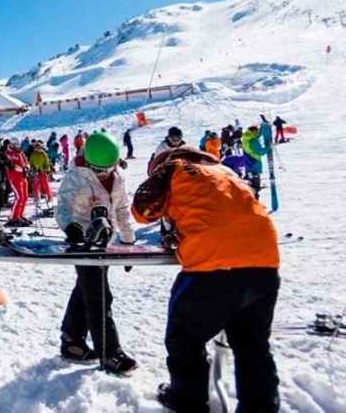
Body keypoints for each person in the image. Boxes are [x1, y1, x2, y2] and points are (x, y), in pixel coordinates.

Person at [132, 147, 280, 413]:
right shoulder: (227, 172)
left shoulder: (174, 167)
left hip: (211, 269)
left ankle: (188, 400)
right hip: (264, 263)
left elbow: (142, 210)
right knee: (252, 346)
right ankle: (260, 407)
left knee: (184, 339)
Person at [55, 132, 138, 375]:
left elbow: (122, 208)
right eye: (99, 170)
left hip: (105, 240)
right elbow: (62, 208)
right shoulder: (76, 176)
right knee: (99, 295)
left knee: (85, 289)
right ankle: (110, 353)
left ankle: (71, 340)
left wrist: (128, 241)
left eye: (107, 169)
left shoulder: (119, 175)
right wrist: (70, 227)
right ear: (89, 162)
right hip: (81, 241)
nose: (104, 174)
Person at [4, 140, 31, 226]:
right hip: (15, 179)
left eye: (17, 145)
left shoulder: (20, 153)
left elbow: (26, 162)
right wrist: (22, 169)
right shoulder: (10, 154)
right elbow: (12, 167)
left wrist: (27, 167)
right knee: (19, 197)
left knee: (25, 197)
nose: (17, 147)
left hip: (23, 178)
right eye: (15, 145)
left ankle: (19, 215)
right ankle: (13, 217)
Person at [241, 125, 270, 198]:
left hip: (249, 164)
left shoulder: (246, 138)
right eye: (256, 132)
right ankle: (255, 205)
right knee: (255, 188)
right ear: (253, 131)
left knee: (251, 186)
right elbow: (260, 152)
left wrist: (262, 128)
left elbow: (256, 136)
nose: (257, 133)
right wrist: (269, 148)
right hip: (255, 164)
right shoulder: (253, 141)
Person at [28, 140, 53, 210]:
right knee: (36, 186)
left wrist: (46, 169)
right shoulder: (33, 154)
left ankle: (49, 197)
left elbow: (47, 163)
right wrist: (32, 169)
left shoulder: (43, 154)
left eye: (39, 148)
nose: (38, 149)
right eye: (37, 148)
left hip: (42, 172)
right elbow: (31, 163)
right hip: (36, 172)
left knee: (46, 185)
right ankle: (37, 199)